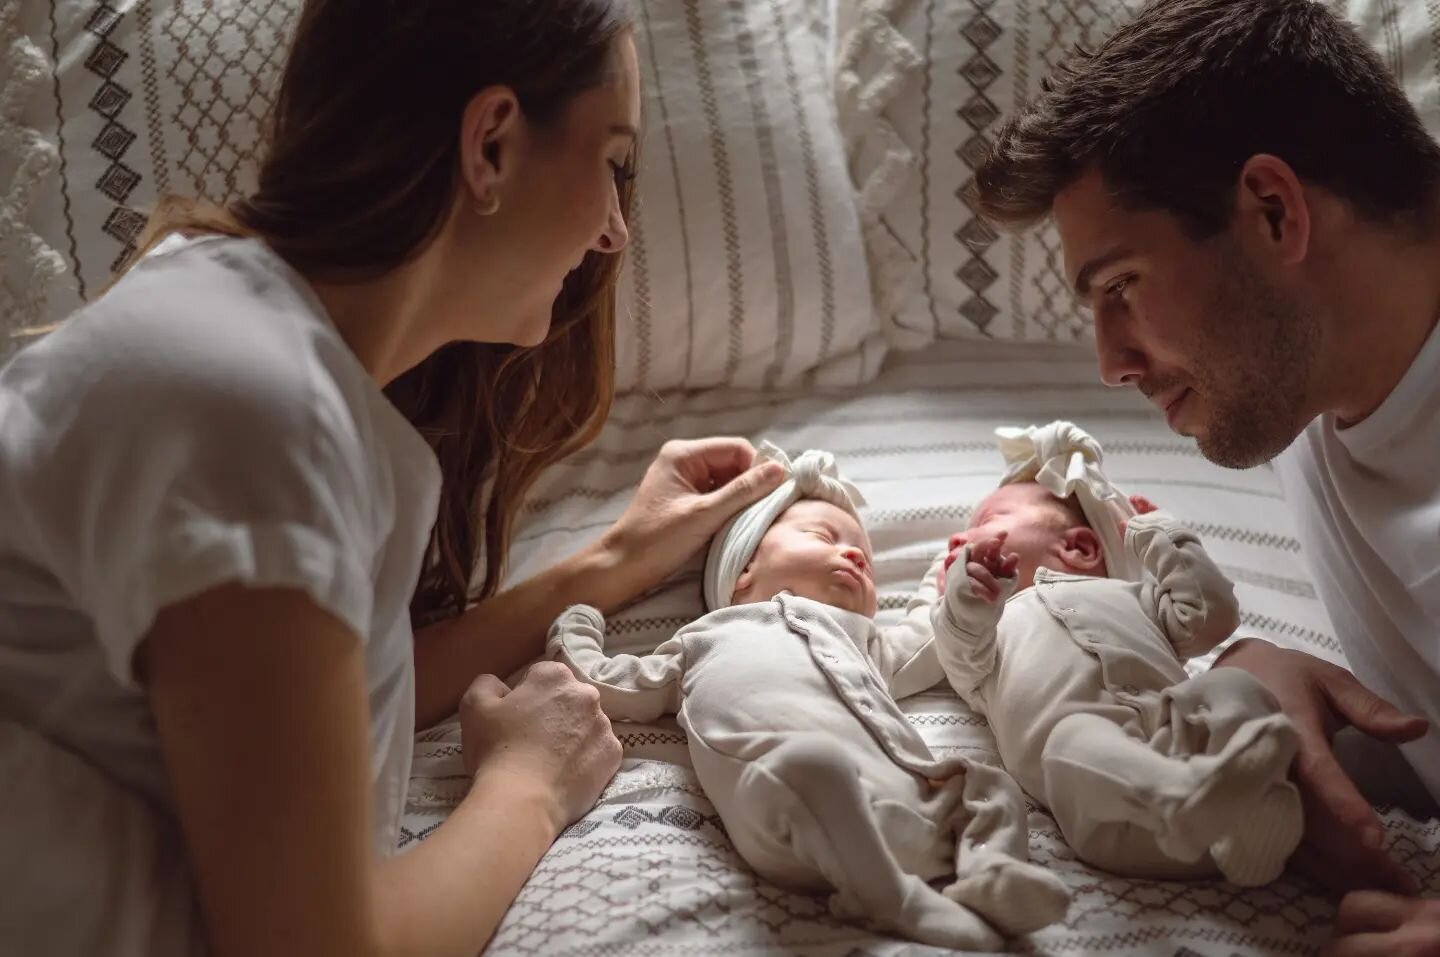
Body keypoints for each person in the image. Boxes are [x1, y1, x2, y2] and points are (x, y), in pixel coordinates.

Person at [0, 2, 789, 955]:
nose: (616, 230)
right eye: (612, 163)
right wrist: (528, 785)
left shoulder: (222, 318)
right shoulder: (250, 408)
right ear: (491, 143)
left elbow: (289, 711)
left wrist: (611, 561)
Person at [969, 0, 1440, 950]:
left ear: (1274, 212)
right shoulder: (1313, 366)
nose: (1111, 362)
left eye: (1122, 288)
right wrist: (1256, 667)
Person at [547, 443, 1070, 950]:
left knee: (987, 784)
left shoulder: (868, 642)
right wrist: (579, 621)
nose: (855, 556)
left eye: (865, 558)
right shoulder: (703, 638)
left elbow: (930, 632)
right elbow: (609, 684)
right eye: (824, 535)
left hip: (906, 802)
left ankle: (990, 871)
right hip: (787, 814)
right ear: (744, 569)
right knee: (814, 763)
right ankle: (892, 900)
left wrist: (956, 581)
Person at [931, 422, 1302, 887]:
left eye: (985, 522)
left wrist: (1164, 538)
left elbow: (1211, 617)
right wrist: (968, 597)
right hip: (1113, 812)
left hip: (1195, 768)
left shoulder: (1132, 597)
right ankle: (1182, 797)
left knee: (1235, 680)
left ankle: (1247, 799)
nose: (956, 541)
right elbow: (959, 647)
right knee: (1070, 740)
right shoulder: (988, 633)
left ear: (1078, 547)